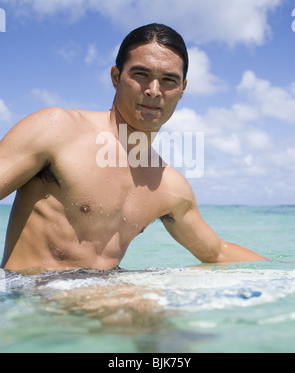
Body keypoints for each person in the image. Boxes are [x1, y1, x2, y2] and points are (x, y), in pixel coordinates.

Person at [0, 23, 267, 271]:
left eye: (168, 80)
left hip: (104, 305)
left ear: (183, 89)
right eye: (141, 74)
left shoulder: (169, 186)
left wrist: (289, 272)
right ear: (116, 77)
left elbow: (217, 253)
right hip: (33, 301)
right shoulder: (57, 129)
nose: (154, 90)